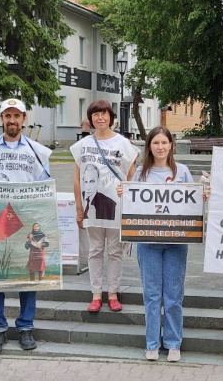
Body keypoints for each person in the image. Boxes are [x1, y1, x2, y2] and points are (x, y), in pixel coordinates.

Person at [118, 126, 206, 362]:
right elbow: (132, 201)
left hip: (177, 241)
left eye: (164, 143)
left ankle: (174, 343)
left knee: (174, 294)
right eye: (155, 143)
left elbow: (192, 202)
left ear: (171, 145)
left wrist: (201, 196)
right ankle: (152, 343)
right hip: (148, 241)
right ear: (149, 146)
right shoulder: (140, 174)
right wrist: (123, 193)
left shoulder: (183, 171)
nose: (160, 147)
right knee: (152, 294)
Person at [0, 99, 52, 354]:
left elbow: (44, 188)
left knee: (27, 276)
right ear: (1, 119)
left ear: (24, 119)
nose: (12, 120)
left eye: (16, 115)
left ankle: (25, 327)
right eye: (7, 115)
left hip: (26, 221)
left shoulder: (37, 152)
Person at [70, 99, 138, 313]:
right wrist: (79, 209)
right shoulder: (83, 146)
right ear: (90, 119)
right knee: (95, 250)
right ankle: (96, 293)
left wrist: (129, 199)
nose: (100, 117)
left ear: (111, 117)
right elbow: (77, 179)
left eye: (104, 113)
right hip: (92, 208)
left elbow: (132, 175)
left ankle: (113, 293)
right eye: (95, 114)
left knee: (116, 251)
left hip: (116, 206)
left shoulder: (123, 144)